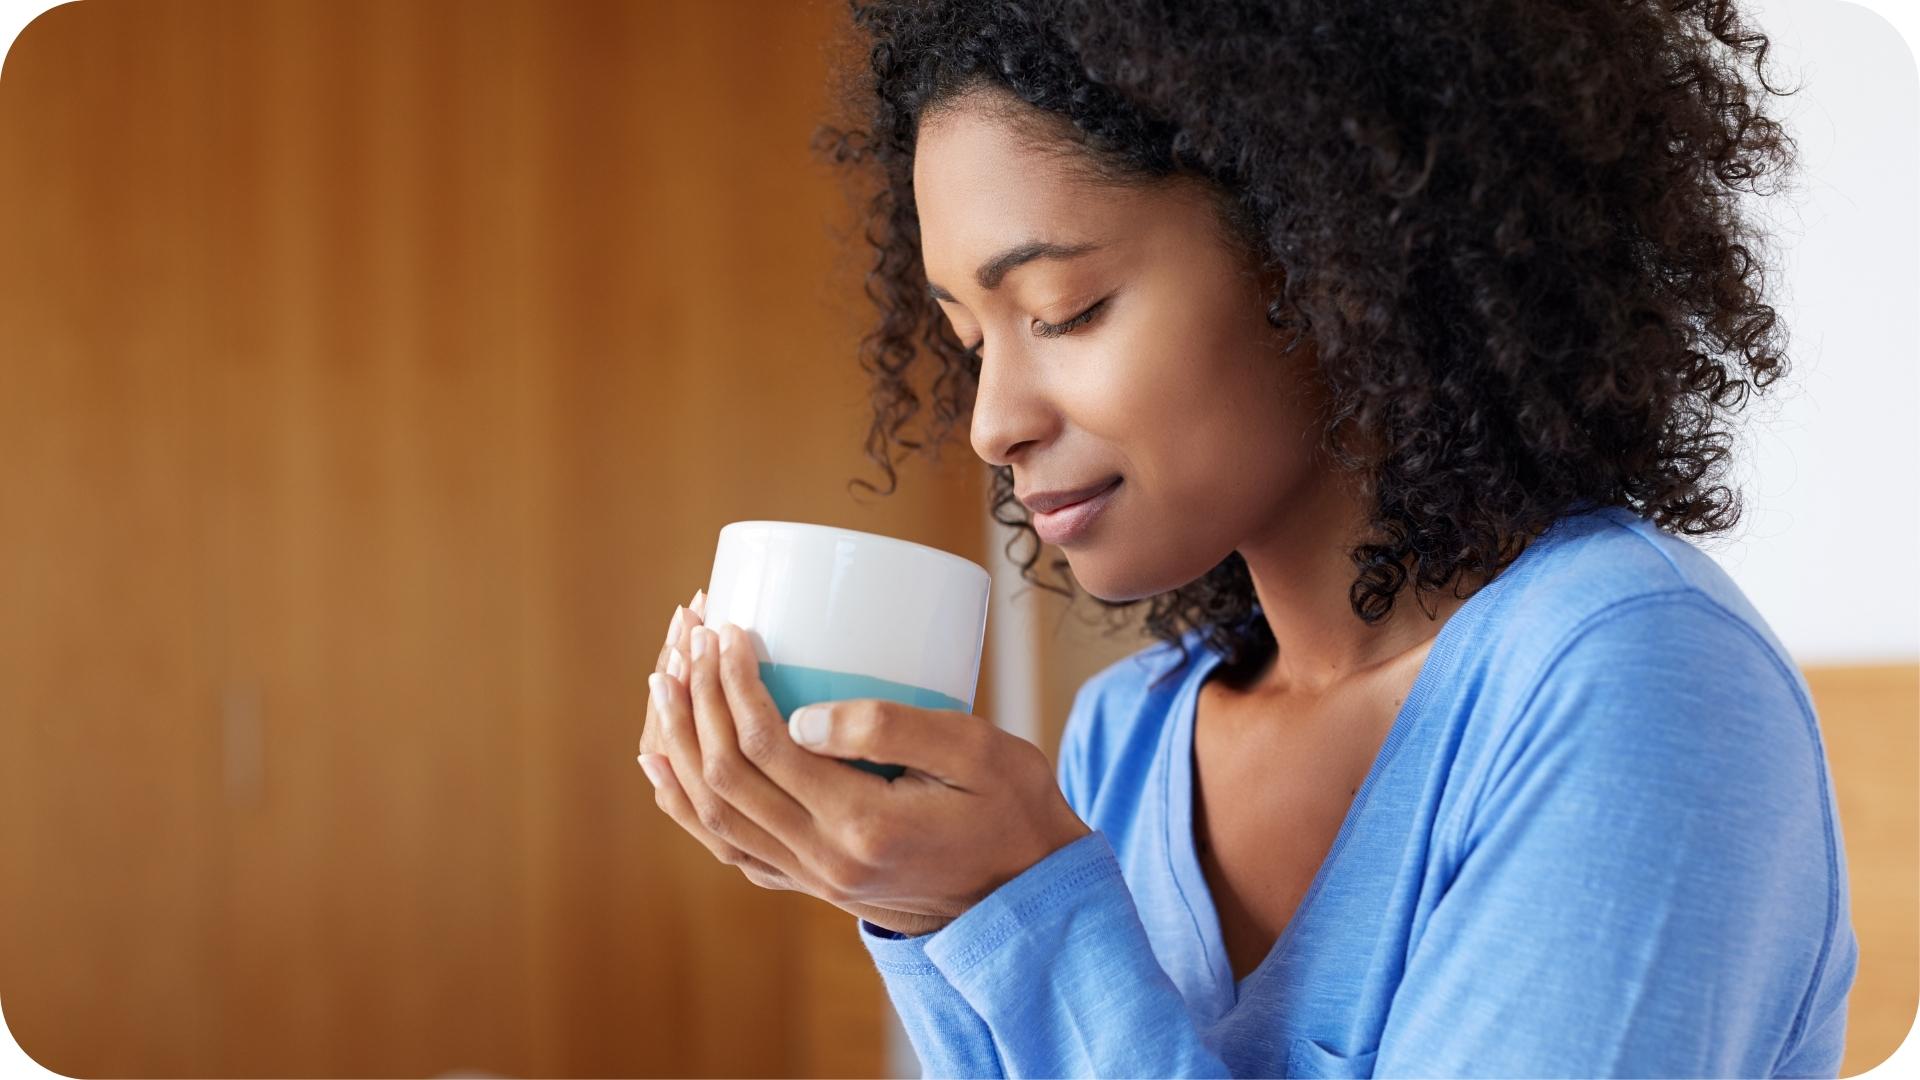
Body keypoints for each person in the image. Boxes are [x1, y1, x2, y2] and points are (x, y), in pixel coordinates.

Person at [637, 0, 1858, 1075]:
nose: (992, 425)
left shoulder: (1630, 680)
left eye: (1065, 311)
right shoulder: (1133, 734)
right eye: (968, 340)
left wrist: (1020, 908)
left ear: (1329, 241)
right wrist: (929, 909)